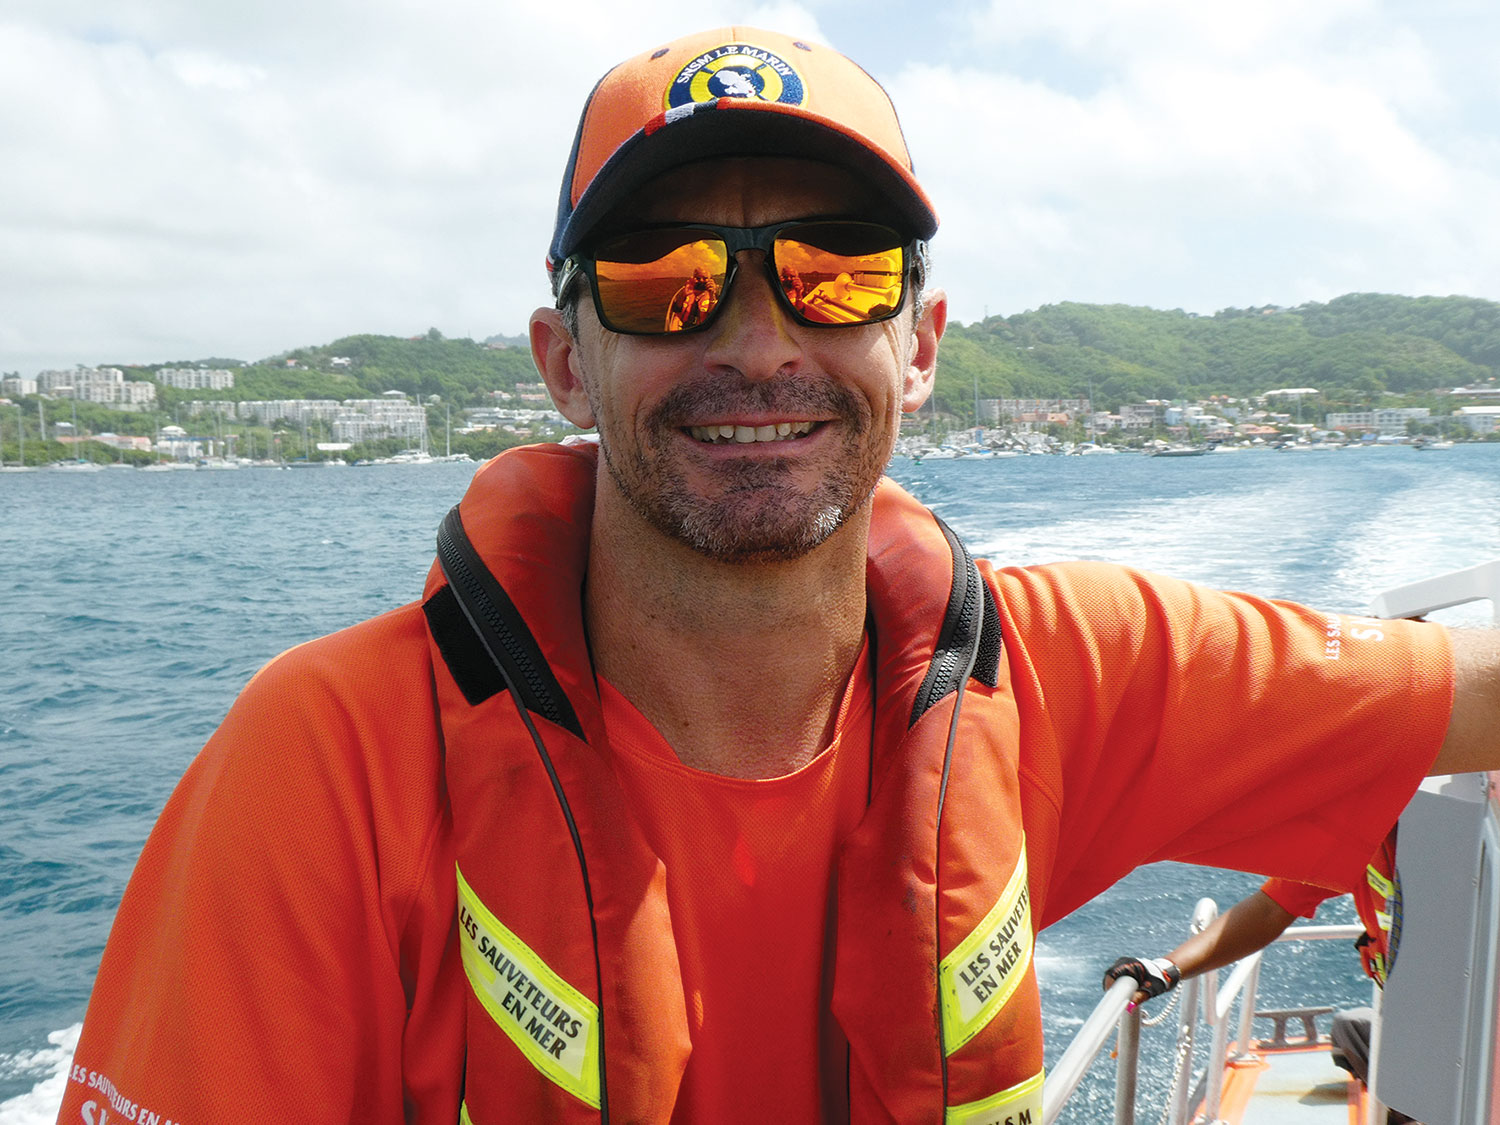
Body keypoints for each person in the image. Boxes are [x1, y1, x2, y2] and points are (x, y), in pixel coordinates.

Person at [57, 25, 1500, 1125]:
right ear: (569, 361)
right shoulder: (330, 767)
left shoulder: (1066, 683)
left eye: (837, 270)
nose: (758, 340)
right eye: (666, 279)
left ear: (919, 345)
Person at [1103, 831, 1414, 1121]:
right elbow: (1272, 908)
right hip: (1410, 1030)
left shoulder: (1442, 834)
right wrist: (1165, 969)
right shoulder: (1363, 828)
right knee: (1350, 1028)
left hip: (1445, 1044)